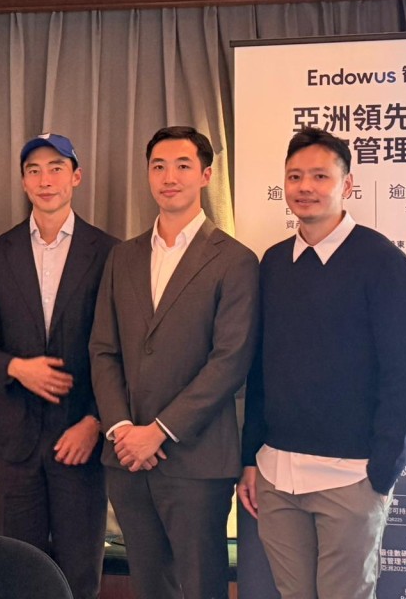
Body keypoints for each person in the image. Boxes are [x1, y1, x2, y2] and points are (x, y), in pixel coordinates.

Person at [237, 128, 406, 599]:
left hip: (351, 477)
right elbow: (260, 369)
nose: (306, 186)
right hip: (277, 475)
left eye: (320, 176)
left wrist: (382, 472)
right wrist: (250, 458)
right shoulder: (273, 263)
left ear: (347, 185)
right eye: (295, 176)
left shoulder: (383, 262)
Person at [90, 126, 259, 599]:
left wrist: (158, 431)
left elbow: (230, 361)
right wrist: (122, 429)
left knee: (201, 586)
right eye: (158, 166)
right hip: (127, 459)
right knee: (149, 586)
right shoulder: (122, 257)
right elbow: (102, 349)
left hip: (196, 461)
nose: (170, 177)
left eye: (183, 166)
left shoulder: (234, 260)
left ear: (205, 175)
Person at [0, 133, 118, 599]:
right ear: (23, 181)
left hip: (80, 441)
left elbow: (119, 351)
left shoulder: (111, 252)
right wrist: (18, 369)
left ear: (76, 176)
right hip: (13, 442)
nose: (45, 179)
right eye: (34, 170)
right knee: (17, 574)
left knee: (79, 575)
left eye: (56, 168)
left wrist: (95, 421)